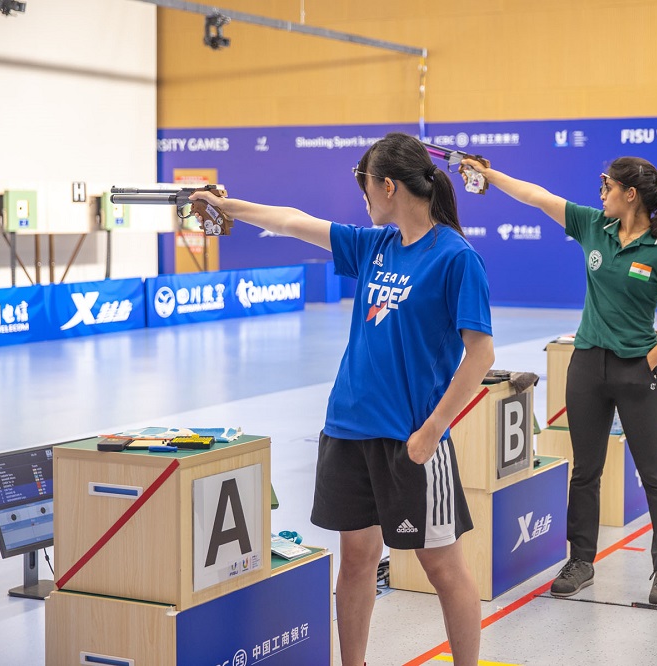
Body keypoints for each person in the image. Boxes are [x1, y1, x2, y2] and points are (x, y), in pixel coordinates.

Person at [190, 132, 494, 666]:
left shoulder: (455, 258)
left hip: (411, 441)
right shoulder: (373, 245)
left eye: (367, 189)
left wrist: (433, 429)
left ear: (389, 186)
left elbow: (481, 356)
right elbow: (288, 219)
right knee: (355, 560)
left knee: (444, 569)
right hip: (348, 431)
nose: (365, 202)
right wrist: (223, 205)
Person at [461, 156, 657, 607]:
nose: (601, 191)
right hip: (587, 365)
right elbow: (536, 196)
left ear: (631, 194)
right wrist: (490, 174)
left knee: (656, 476)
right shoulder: (594, 226)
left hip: (638, 370)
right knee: (585, 472)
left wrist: (650, 360)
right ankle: (581, 560)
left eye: (607, 184)